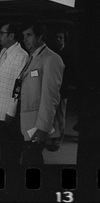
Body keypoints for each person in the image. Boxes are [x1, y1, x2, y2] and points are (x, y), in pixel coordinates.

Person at [17, 23, 64, 165]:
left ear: (40, 36)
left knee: (31, 160)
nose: (24, 39)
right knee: (29, 159)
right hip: (26, 120)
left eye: (29, 35)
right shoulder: (31, 57)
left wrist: (43, 128)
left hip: (37, 124)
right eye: (23, 35)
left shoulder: (51, 58)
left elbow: (50, 98)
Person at [0, 23, 28, 165]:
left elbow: (18, 86)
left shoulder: (22, 56)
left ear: (11, 35)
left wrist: (11, 110)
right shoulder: (3, 51)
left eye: (2, 33)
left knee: (6, 148)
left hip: (6, 109)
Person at [47, 28, 76, 151]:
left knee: (60, 116)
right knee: (51, 116)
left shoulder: (69, 53)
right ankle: (53, 137)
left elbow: (70, 73)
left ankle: (59, 140)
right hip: (52, 89)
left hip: (62, 90)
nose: (59, 40)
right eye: (57, 37)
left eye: (61, 38)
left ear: (65, 39)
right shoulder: (52, 52)